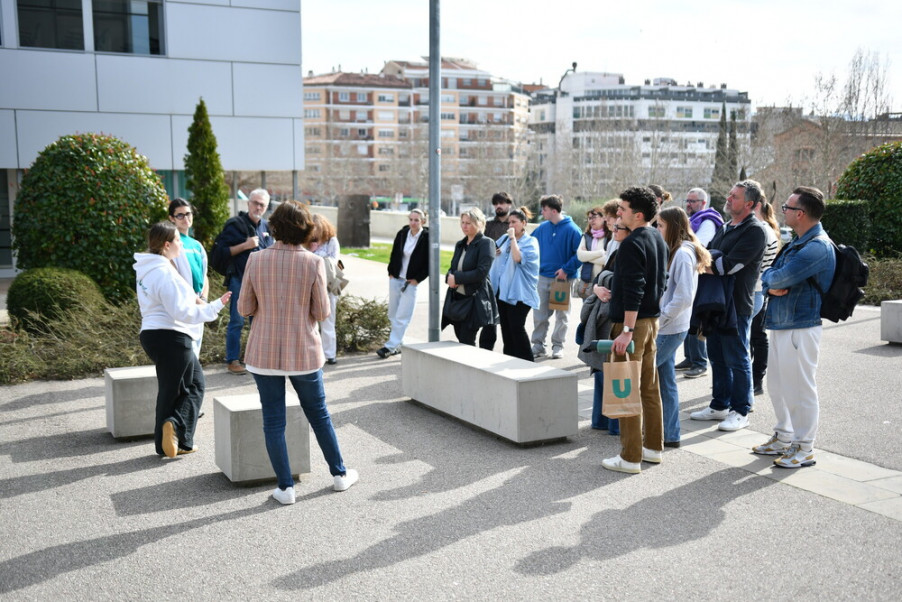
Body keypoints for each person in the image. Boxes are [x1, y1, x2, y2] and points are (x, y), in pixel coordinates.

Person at [238, 200, 358, 504]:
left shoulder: (255, 260)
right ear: (306, 229)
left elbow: (244, 308)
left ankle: (285, 487)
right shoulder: (313, 262)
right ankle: (339, 475)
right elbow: (321, 313)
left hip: (263, 352)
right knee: (318, 414)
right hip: (303, 351)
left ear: (274, 227)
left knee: (273, 420)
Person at [133, 222, 231, 458]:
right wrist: (215, 306)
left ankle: (181, 440)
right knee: (178, 390)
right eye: (177, 240)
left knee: (192, 385)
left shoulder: (148, 269)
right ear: (167, 245)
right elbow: (182, 312)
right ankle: (174, 427)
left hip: (156, 334)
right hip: (172, 336)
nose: (181, 244)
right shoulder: (165, 273)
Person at [754, 186, 835, 468]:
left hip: (800, 325)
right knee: (777, 385)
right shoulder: (799, 242)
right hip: (782, 324)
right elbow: (770, 277)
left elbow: (776, 278)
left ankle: (804, 447)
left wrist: (771, 283)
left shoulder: (816, 247)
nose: (783, 211)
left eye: (787, 207)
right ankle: (784, 435)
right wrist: (771, 283)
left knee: (800, 388)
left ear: (800, 214)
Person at [598, 187, 668, 475]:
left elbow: (634, 289)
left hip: (634, 325)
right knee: (649, 387)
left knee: (625, 389)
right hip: (651, 323)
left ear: (638, 215)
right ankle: (652, 448)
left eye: (623, 209)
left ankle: (629, 457)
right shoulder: (657, 238)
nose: (618, 213)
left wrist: (626, 329)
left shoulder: (631, 243)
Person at [689, 180, 767, 432]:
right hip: (716, 303)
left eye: (735, 196)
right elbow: (707, 256)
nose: (729, 198)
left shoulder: (754, 230)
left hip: (737, 304)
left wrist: (710, 262)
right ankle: (719, 405)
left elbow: (725, 266)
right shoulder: (725, 227)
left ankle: (741, 410)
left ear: (750, 204)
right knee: (717, 356)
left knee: (737, 356)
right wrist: (710, 261)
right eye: (730, 194)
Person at [654, 207, 711, 447]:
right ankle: (670, 433)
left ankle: (657, 432)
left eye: (660, 225)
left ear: (673, 227)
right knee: (666, 381)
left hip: (670, 327)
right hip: (670, 325)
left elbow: (684, 296)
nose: (657, 230)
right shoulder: (676, 251)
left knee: (642, 375)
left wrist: (661, 318)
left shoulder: (683, 254)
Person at [577, 217, 632, 435]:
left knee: (613, 370)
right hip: (605, 314)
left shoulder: (631, 249)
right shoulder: (617, 247)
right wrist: (599, 287)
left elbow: (622, 284)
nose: (613, 228)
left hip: (617, 318)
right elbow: (602, 277)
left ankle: (615, 424)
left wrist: (603, 282)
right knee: (601, 368)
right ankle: (601, 420)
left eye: (618, 226)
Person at [216, 188, 273, 374]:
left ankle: (257, 359)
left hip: (261, 284)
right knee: (237, 321)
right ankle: (233, 360)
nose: (258, 207)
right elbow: (220, 252)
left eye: (262, 204)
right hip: (239, 280)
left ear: (266, 207)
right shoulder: (234, 225)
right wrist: (245, 246)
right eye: (255, 202)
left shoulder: (267, 227)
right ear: (248, 203)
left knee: (259, 322)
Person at [676, 187, 723, 378]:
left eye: (692, 201)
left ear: (703, 203)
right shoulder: (692, 220)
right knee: (688, 315)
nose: (688, 204)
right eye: (687, 201)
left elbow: (699, 244)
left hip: (703, 275)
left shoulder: (708, 221)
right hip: (692, 272)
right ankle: (690, 358)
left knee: (697, 317)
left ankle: (700, 362)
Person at [530, 195, 582, 359]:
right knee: (540, 314)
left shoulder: (573, 230)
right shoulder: (542, 228)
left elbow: (580, 254)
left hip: (562, 280)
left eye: (544, 209)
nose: (541, 212)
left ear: (553, 210)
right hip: (542, 277)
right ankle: (538, 345)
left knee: (561, 315)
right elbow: (530, 244)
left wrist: (566, 270)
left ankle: (558, 346)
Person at [488, 206, 539, 361]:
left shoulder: (531, 242)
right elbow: (491, 251)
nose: (510, 226)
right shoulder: (503, 239)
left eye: (514, 222)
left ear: (523, 223)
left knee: (516, 327)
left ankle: (528, 361)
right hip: (502, 292)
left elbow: (518, 258)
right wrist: (493, 251)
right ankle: (510, 359)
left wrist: (512, 239)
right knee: (506, 329)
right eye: (509, 223)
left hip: (520, 293)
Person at [442, 208, 499, 346]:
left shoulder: (486, 243)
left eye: (468, 223)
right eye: (462, 222)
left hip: (474, 299)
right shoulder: (460, 244)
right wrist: (449, 277)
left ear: (479, 223)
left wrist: (457, 278)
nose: (464, 226)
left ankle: (472, 366)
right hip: (457, 299)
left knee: (467, 341)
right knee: (461, 339)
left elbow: (481, 272)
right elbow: (453, 267)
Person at [377, 209, 429, 358]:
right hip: (396, 278)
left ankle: (390, 346)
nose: (413, 223)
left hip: (411, 282)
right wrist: (391, 272)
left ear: (423, 222)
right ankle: (399, 343)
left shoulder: (427, 237)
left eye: (416, 220)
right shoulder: (402, 233)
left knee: (403, 315)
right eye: (411, 219)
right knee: (392, 313)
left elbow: (429, 263)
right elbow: (394, 253)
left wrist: (417, 279)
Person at [168, 197, 209, 357]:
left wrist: (203, 299)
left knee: (195, 354)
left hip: (198, 304)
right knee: (184, 354)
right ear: (172, 218)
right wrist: (197, 302)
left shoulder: (197, 245)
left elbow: (205, 276)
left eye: (188, 214)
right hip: (183, 305)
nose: (185, 218)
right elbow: (174, 277)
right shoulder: (171, 243)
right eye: (180, 215)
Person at [751, 198, 781, 395]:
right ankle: (753, 379)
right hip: (760, 288)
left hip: (758, 289)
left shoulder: (764, 230)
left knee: (757, 336)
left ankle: (756, 380)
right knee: (755, 335)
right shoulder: (767, 228)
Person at [480, 192, 515, 350]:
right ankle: (486, 350)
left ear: (509, 204)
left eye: (502, 203)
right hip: (490, 277)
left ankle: (510, 351)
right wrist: (491, 248)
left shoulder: (513, 224)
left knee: (509, 321)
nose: (499, 206)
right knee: (489, 318)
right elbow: (481, 244)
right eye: (496, 203)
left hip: (510, 277)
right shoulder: (488, 225)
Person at [308, 213, 340, 365]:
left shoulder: (331, 241)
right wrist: (311, 250)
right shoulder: (307, 242)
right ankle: (313, 352)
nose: (314, 233)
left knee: (328, 320)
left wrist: (316, 256)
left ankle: (330, 354)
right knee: (310, 321)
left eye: (317, 229)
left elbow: (334, 262)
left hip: (327, 286)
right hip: (310, 286)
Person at [573, 205, 611, 299]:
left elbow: (607, 260)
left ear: (603, 218)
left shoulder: (610, 236)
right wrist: (601, 253)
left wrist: (588, 257)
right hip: (587, 283)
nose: (591, 220)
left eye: (594, 217)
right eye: (589, 218)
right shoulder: (586, 236)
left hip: (603, 283)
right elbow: (580, 256)